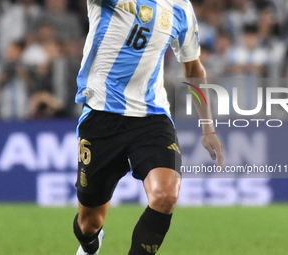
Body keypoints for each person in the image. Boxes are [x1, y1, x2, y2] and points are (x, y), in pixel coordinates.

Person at [73, 1, 224, 255]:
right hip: (101, 117)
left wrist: (208, 128)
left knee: (165, 196)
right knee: (89, 224)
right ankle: (89, 247)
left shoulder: (180, 8)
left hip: (151, 117)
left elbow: (193, 67)